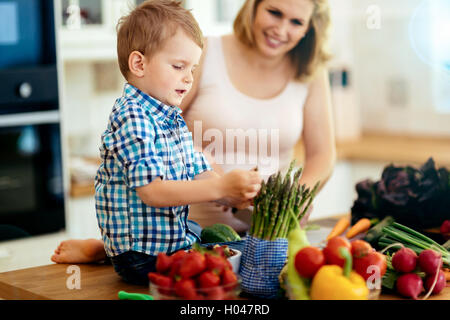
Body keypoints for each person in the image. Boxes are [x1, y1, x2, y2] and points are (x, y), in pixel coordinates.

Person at [51, 0, 335, 265]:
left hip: (267, 226)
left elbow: (323, 155)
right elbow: (165, 135)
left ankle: (109, 249)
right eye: (274, 12)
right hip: (192, 225)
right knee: (176, 256)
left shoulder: (310, 71)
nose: (281, 29)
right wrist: (220, 186)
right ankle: (111, 249)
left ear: (310, 27)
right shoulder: (200, 54)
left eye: (297, 22)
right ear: (253, 6)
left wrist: (293, 200)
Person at [52, 0, 261, 285]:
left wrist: (232, 194)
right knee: (232, 265)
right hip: (142, 256)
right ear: (139, 63)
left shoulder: (169, 115)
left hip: (170, 240)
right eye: (179, 66)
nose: (189, 78)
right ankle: (114, 253)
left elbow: (196, 168)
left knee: (218, 243)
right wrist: (220, 186)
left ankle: (102, 249)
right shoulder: (133, 116)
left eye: (193, 68)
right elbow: (153, 192)